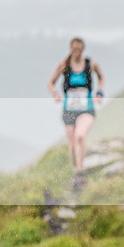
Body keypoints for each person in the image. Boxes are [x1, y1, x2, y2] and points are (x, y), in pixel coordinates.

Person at [47, 37, 105, 188]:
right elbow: (50, 82)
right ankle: (76, 170)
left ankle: (80, 172)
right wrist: (55, 94)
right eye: (74, 49)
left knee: (80, 135)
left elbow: (101, 77)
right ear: (71, 49)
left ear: (83, 49)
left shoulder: (90, 64)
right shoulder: (64, 65)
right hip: (69, 109)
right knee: (72, 143)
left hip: (86, 108)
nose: (76, 52)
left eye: (79, 50)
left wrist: (99, 92)